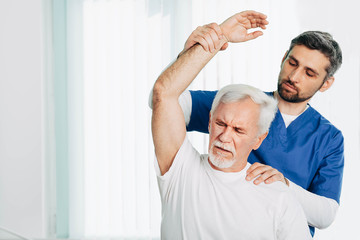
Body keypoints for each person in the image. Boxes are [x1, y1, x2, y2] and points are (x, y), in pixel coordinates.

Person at [177, 10, 344, 236]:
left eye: (309, 73)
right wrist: (193, 53)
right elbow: (164, 102)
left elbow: (326, 215)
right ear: (283, 57)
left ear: (326, 83)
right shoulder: (240, 104)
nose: (294, 76)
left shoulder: (329, 138)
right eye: (292, 62)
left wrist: (282, 183)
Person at [151, 12, 312, 237]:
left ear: (258, 139)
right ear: (209, 122)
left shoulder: (280, 199)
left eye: (238, 130)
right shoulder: (181, 169)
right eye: (220, 123)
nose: (225, 137)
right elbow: (163, 93)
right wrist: (219, 36)